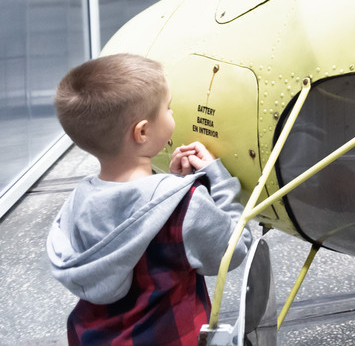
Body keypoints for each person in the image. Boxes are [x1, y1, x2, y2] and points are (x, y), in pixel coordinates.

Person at [48, 53, 252, 346]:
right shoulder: (185, 206)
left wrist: (174, 183)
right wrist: (217, 180)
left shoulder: (77, 204)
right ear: (142, 131)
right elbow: (234, 249)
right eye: (168, 108)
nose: (172, 112)